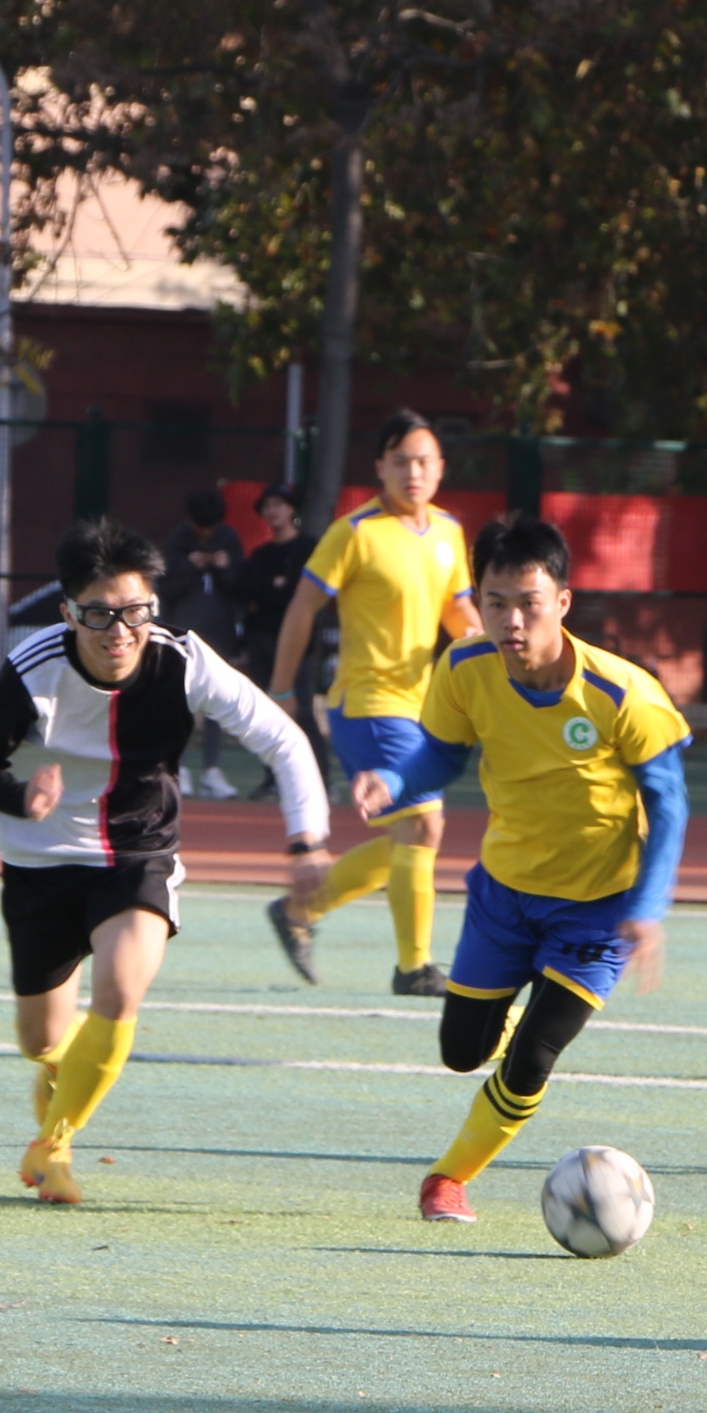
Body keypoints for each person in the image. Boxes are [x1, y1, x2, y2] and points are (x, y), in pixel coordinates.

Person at [0, 518, 330, 1205]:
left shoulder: (184, 660)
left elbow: (283, 740)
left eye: (135, 611)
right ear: (68, 612)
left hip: (138, 853)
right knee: (41, 1041)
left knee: (120, 992)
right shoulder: (34, 665)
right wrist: (21, 796)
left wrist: (306, 840)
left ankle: (54, 1143)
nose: (120, 630)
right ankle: (65, 1079)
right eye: (99, 614)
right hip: (40, 861)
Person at [346, 513, 691, 1224]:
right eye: (494, 602)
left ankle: (448, 1178)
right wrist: (395, 779)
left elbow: (669, 802)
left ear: (562, 601)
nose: (510, 620)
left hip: (597, 908)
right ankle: (502, 1017)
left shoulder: (623, 693)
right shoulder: (464, 668)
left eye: (528, 602)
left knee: (533, 1055)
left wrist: (648, 907)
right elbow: (440, 755)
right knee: (461, 1052)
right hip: (503, 897)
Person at [264, 411, 482, 997]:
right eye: (401, 461)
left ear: (440, 468)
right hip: (367, 704)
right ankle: (414, 967)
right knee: (422, 823)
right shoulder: (355, 532)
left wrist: (487, 652)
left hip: (423, 707)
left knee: (411, 836)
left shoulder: (448, 532)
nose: (413, 472)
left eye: (424, 461)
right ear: (380, 466)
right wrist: (282, 690)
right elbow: (303, 607)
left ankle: (300, 908)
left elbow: (458, 611)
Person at [231, 483, 334, 796]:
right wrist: (271, 587)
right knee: (267, 711)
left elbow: (299, 595)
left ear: (291, 509)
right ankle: (275, 778)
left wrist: (271, 591)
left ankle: (320, 780)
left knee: (300, 709)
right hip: (261, 640)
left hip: (298, 644)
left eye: (278, 504)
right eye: (267, 506)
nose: (272, 511)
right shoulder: (261, 554)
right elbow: (242, 589)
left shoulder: (307, 548)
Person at [165, 486, 248, 800]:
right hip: (184, 634)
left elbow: (240, 588)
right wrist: (190, 565)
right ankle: (180, 767)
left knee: (216, 701)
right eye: (201, 528)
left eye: (210, 528)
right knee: (182, 702)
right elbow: (166, 588)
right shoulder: (176, 541)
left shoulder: (229, 539)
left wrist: (224, 567)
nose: (206, 534)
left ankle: (212, 771)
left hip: (220, 633)